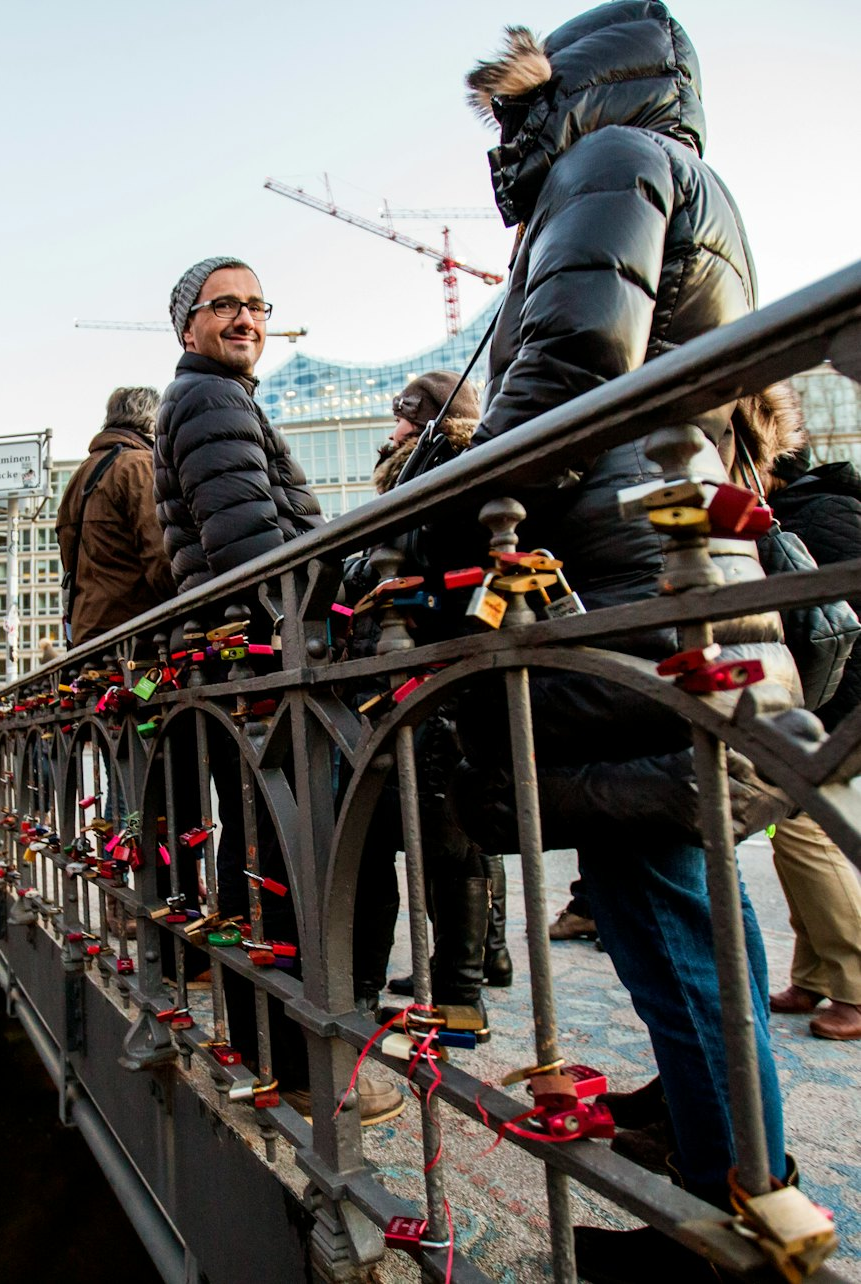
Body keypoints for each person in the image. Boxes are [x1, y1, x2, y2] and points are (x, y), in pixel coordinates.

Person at [459, 6, 792, 1278]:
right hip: (654, 566)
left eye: (516, 110)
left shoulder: (614, 162)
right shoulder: (666, 172)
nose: (506, 141)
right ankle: (725, 1141)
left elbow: (578, 356)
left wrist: (436, 520)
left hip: (622, 580)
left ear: (584, 93)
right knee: (681, 888)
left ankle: (733, 1207)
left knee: (669, 894)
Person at [154, 256, 400, 1124]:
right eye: (224, 305)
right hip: (268, 663)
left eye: (257, 305)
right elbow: (254, 543)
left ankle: (283, 1047)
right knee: (293, 861)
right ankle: (295, 1059)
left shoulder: (217, 398)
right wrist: (346, 576)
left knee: (271, 852)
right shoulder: (209, 399)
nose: (246, 318)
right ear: (188, 325)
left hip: (254, 662)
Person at [349, 373, 513, 1024]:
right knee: (457, 843)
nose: (387, 435)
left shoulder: (432, 476)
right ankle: (460, 990)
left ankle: (425, 993)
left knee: (405, 842)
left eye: (397, 422)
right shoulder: (457, 470)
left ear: (420, 426)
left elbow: (410, 566)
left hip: (424, 682)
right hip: (442, 682)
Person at [756, 418, 861, 1041]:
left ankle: (853, 984)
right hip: (813, 696)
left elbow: (837, 624)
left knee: (805, 835)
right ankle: (816, 973)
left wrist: (821, 704)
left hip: (834, 700)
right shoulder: (800, 509)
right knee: (790, 834)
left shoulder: (823, 512)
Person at [56, 386, 175, 647]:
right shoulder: (139, 466)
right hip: (137, 635)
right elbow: (161, 557)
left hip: (88, 635)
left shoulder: (79, 477)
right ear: (152, 422)